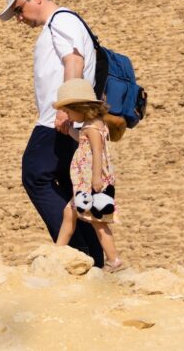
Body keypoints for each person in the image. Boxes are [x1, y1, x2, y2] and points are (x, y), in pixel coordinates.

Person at [0, 0, 104, 266]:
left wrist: (66, 107)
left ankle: (77, 253)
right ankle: (92, 259)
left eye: (19, 9)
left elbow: (74, 61)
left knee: (35, 173)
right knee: (72, 189)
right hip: (67, 119)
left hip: (58, 120)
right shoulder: (60, 23)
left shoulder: (61, 20)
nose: (19, 18)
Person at [53, 78, 126, 272]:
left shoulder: (93, 127)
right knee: (70, 212)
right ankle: (57, 252)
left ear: (80, 107)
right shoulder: (90, 124)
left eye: (69, 111)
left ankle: (114, 260)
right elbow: (82, 141)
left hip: (91, 183)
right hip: (84, 184)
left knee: (98, 222)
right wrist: (69, 130)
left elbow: (97, 151)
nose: (68, 115)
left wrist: (96, 178)